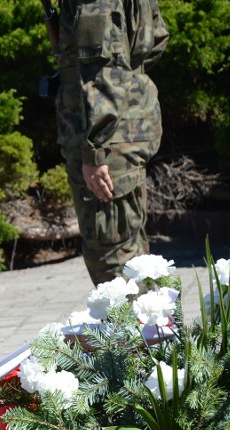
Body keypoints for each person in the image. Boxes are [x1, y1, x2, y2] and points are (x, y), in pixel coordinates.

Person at [54, 0, 170, 285]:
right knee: (131, 253)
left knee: (112, 259)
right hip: (125, 131)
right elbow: (155, 39)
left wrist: (95, 150)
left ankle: (130, 326)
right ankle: (146, 325)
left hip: (108, 140)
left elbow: (103, 71)